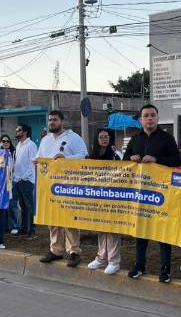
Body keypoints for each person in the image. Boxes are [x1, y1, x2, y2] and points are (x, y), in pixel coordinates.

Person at [36, 110, 88, 267]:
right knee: (52, 219)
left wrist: (66, 158)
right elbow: (40, 157)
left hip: (67, 185)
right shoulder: (45, 140)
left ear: (62, 121)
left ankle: (74, 252)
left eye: (55, 119)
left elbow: (83, 156)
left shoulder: (73, 138)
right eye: (50, 120)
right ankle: (56, 250)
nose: (52, 122)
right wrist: (37, 161)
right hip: (49, 184)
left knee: (68, 219)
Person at [86, 128, 127, 276]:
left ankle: (114, 261)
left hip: (113, 196)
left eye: (107, 137)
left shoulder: (116, 155)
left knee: (112, 229)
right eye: (102, 137)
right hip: (98, 196)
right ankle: (101, 258)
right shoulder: (91, 157)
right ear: (96, 139)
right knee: (101, 227)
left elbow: (125, 172)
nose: (105, 139)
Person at [12, 123, 38, 236]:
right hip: (18, 179)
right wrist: (16, 177)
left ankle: (32, 229)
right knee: (22, 206)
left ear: (25, 132)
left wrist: (24, 177)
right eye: (17, 130)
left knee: (29, 206)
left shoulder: (31, 145)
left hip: (27, 180)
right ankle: (23, 228)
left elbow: (33, 163)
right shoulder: (18, 145)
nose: (16, 132)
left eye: (19, 130)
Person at [0, 134, 18, 236]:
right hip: (2, 184)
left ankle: (14, 226)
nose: (6, 143)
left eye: (7, 141)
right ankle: (6, 226)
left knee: (12, 205)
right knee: (4, 206)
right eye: (3, 141)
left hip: (11, 182)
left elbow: (15, 167)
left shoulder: (13, 153)